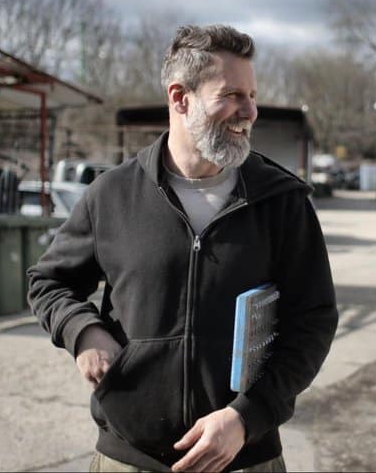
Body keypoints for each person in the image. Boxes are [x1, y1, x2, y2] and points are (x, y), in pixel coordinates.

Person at [28, 24, 338, 472]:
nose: (249, 111)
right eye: (232, 94)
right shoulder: (111, 195)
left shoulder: (282, 200)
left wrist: (246, 417)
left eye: (252, 95)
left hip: (244, 457)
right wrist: (83, 332)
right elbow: (48, 282)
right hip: (128, 457)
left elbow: (313, 320)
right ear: (180, 97)